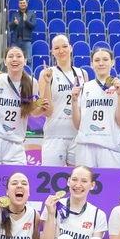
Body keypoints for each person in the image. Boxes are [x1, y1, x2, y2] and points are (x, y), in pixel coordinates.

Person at [0, 47, 45, 165]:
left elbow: (33, 111)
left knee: (18, 176)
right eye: (10, 56)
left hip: (16, 143)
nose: (15, 59)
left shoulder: (32, 83)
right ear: (5, 61)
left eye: (19, 56)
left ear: (25, 61)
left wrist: (42, 109)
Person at [37, 35, 89, 167]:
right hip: (55, 134)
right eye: (57, 48)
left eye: (64, 46)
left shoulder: (83, 74)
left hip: (77, 135)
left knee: (78, 178)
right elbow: (46, 111)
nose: (61, 51)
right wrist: (47, 83)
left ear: (70, 48)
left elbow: (85, 107)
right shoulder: (47, 74)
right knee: (52, 178)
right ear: (52, 52)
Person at [71, 47, 120, 168]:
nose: (101, 63)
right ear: (92, 64)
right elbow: (77, 125)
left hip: (111, 146)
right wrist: (74, 101)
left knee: (112, 180)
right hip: (85, 145)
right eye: (97, 60)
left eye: (105, 59)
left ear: (112, 62)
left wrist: (119, 95)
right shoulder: (84, 87)